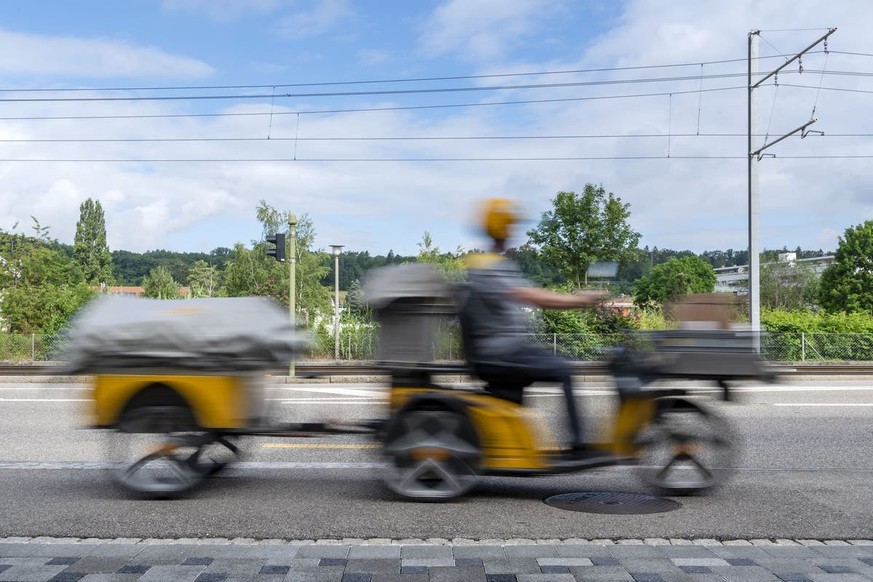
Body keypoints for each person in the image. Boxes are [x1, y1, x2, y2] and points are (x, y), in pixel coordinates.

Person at [460, 198, 611, 462]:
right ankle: (579, 445)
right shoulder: (489, 268)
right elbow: (530, 295)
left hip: (501, 351)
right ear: (503, 228)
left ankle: (509, 449)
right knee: (562, 369)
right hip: (499, 354)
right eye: (510, 226)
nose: (512, 232)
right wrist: (580, 301)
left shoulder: (492, 263)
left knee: (525, 381)